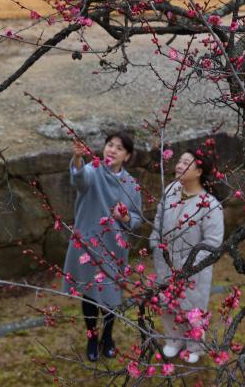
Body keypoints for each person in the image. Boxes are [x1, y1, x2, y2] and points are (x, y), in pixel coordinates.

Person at [62, 132, 142, 362]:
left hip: (114, 249)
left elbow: (137, 220)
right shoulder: (93, 171)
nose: (112, 150)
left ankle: (107, 336)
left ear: (126, 156)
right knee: (89, 295)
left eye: (119, 148)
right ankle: (91, 336)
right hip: (88, 245)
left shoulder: (131, 185)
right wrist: (77, 159)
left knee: (110, 296)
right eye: (110, 145)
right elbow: (79, 178)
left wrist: (125, 218)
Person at [149, 149, 224, 364]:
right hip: (164, 261)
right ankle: (174, 340)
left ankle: (194, 345)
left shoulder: (210, 205)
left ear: (199, 171)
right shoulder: (171, 190)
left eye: (186, 163)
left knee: (192, 307)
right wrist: (155, 242)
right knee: (166, 303)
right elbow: (158, 219)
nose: (179, 165)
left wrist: (187, 266)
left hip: (193, 271)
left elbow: (212, 243)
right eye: (179, 161)